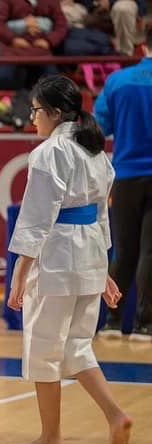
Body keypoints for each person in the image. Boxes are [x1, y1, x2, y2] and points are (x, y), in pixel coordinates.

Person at [7, 75, 132, 444]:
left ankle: (50, 438)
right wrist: (105, 268)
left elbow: (37, 216)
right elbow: (100, 216)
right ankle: (114, 414)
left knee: (44, 348)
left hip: (57, 255)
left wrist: (20, 271)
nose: (32, 119)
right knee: (77, 346)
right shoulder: (96, 151)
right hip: (90, 253)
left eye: (36, 111)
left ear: (55, 112)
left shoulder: (50, 151)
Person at [94, 28, 152, 340]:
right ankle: (146, 324)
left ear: (143, 45)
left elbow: (99, 126)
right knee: (150, 251)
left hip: (126, 173)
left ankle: (113, 322)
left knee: (124, 249)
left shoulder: (118, 81)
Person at [0, 0, 68, 91]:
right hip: (13, 52)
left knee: (54, 83)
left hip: (42, 53)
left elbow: (61, 25)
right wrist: (13, 39)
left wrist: (49, 41)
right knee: (5, 78)